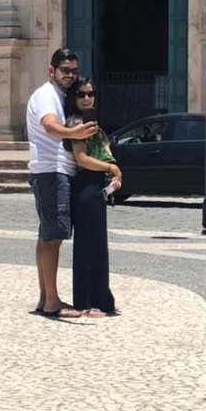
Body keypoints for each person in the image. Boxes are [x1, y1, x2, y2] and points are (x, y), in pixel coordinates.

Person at [26, 48, 97, 318]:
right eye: (65, 70)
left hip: (49, 170)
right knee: (54, 237)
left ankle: (46, 298)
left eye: (73, 71)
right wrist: (73, 132)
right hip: (52, 170)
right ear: (51, 70)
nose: (70, 75)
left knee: (47, 236)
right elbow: (49, 125)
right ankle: (53, 301)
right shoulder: (47, 95)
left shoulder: (57, 95)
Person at [64, 77, 122, 317]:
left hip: (97, 185)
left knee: (99, 245)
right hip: (85, 185)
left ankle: (103, 298)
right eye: (81, 94)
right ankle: (86, 302)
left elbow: (106, 153)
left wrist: (114, 175)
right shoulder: (76, 123)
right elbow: (83, 159)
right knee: (87, 245)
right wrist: (111, 169)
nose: (87, 98)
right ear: (73, 97)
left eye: (91, 93)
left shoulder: (94, 125)